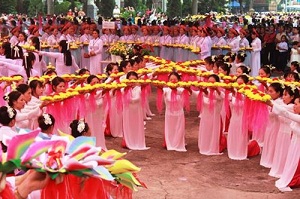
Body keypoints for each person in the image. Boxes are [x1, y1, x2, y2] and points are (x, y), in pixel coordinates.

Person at [269, 85, 299, 178]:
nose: (283, 97)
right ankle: (278, 169)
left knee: (285, 153)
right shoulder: (286, 105)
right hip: (281, 132)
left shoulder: (290, 106)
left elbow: (283, 111)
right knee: (279, 151)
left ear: (292, 97)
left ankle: (282, 170)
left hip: (287, 133)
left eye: (285, 95)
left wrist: (268, 102)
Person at [122, 71, 149, 150]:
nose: (132, 82)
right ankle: (128, 141)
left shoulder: (139, 88)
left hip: (137, 111)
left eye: (134, 80)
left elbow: (136, 99)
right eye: (130, 80)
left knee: (136, 126)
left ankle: (137, 142)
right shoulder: (123, 89)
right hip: (127, 111)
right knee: (128, 126)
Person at [260, 82, 284, 168]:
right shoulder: (271, 101)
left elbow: (278, 112)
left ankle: (272, 160)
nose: (269, 93)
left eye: (271, 91)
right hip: (269, 124)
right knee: (268, 140)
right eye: (268, 91)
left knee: (273, 141)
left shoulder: (280, 102)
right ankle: (267, 158)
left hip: (276, 125)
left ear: (278, 93)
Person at [163, 72, 187, 152]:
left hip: (179, 113)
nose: (173, 81)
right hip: (169, 114)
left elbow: (188, 94)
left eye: (175, 79)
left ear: (179, 80)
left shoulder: (182, 90)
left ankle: (178, 143)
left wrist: (176, 89)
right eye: (171, 79)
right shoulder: (165, 90)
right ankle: (169, 143)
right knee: (170, 129)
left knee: (179, 129)